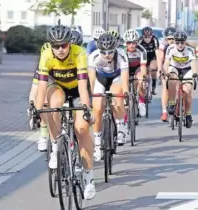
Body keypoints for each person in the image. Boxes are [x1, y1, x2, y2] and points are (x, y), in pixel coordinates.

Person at [34, 25, 96, 200]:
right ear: (51, 45)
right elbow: (41, 88)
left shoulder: (79, 53)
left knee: (82, 129)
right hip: (58, 87)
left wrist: (86, 109)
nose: (60, 49)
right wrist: (37, 111)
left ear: (69, 44)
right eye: (56, 46)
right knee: (52, 105)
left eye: (64, 45)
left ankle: (88, 176)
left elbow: (84, 87)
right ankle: (55, 145)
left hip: (77, 90)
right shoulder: (46, 55)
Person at [28, 30, 84, 152]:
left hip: (73, 88)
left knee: (79, 122)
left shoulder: (78, 57)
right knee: (45, 102)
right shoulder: (43, 65)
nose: (60, 50)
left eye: (63, 46)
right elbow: (35, 90)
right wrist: (33, 110)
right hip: (55, 86)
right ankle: (45, 133)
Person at [88, 33, 129, 161]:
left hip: (116, 77)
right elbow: (92, 80)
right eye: (104, 52)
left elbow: (124, 78)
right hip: (101, 79)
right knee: (98, 108)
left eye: (110, 52)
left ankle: (121, 126)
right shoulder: (94, 56)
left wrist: (126, 93)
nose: (107, 55)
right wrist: (91, 96)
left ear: (115, 49)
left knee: (117, 96)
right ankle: (98, 144)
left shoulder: (122, 55)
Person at [164, 31, 198, 128]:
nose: (180, 45)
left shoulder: (190, 50)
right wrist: (166, 72)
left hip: (187, 70)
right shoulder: (170, 48)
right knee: (172, 80)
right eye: (177, 42)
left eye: (182, 42)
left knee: (187, 91)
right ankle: (171, 103)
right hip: (174, 68)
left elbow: (193, 63)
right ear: (174, 42)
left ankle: (188, 114)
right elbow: (166, 62)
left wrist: (195, 74)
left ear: (185, 42)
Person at [123, 29, 148, 117]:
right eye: (129, 43)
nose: (132, 45)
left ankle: (141, 103)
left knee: (141, 80)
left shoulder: (142, 50)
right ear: (126, 43)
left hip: (138, 67)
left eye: (134, 43)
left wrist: (144, 79)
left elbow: (143, 66)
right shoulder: (122, 50)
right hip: (126, 68)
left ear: (137, 42)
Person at [159, 27, 176, 122]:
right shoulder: (163, 46)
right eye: (169, 39)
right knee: (165, 88)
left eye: (173, 38)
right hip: (167, 66)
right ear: (166, 39)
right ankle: (164, 111)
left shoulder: (180, 44)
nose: (172, 40)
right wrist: (161, 70)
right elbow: (161, 59)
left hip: (179, 67)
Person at [138, 26, 161, 95]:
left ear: (152, 35)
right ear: (142, 36)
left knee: (153, 68)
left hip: (152, 56)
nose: (147, 38)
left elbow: (157, 54)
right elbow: (137, 52)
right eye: (145, 36)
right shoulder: (140, 40)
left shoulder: (154, 39)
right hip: (143, 56)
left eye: (149, 36)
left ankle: (153, 85)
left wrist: (159, 67)